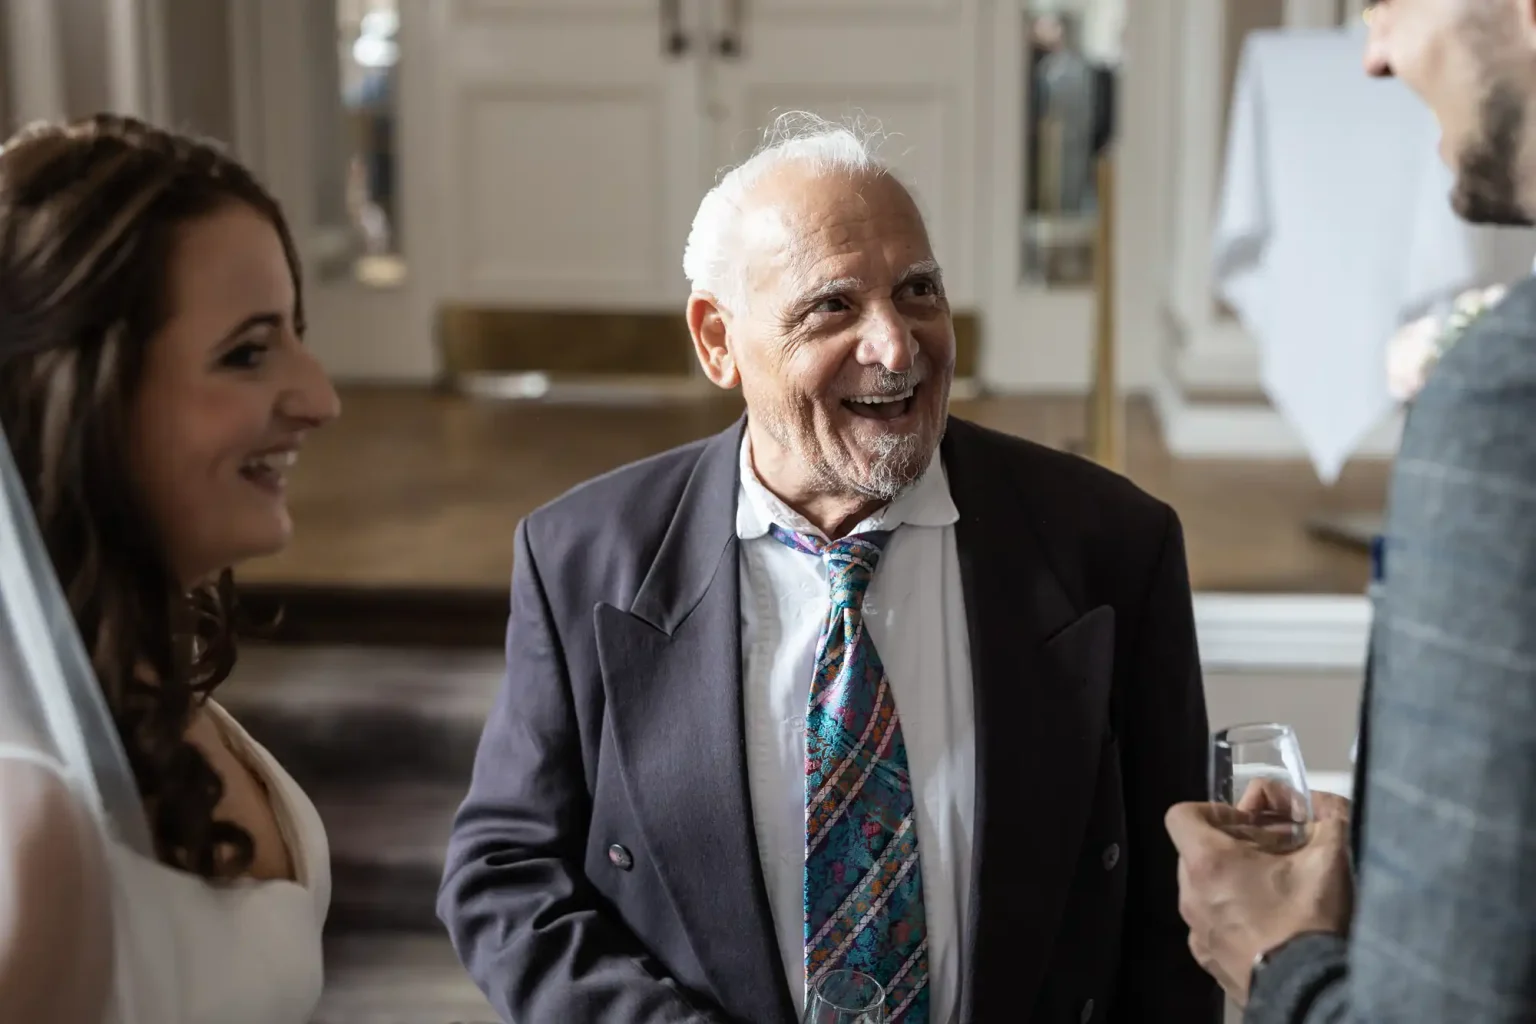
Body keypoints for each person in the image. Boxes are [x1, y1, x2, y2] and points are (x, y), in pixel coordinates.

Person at [439, 111, 1220, 1023]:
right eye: (832, 306)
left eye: (919, 290)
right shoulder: (583, 560)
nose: (896, 346)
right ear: (717, 342)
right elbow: (505, 878)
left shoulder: (1113, 549)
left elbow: (1176, 906)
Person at [1166, 1, 1536, 1020]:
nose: (1374, 55)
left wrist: (1279, 953)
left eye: (1392, 2)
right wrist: (1410, 866)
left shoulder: (1509, 399)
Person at [0, 115, 341, 1024]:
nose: (320, 398)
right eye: (248, 352)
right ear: (82, 395)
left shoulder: (154, 671)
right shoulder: (27, 830)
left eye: (295, 335)